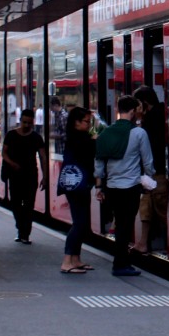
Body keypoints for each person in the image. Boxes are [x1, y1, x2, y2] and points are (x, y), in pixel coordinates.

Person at [94, 95, 155, 276]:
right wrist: (150, 179)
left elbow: (99, 162)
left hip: (112, 187)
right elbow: (148, 161)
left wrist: (99, 186)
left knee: (120, 224)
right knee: (125, 226)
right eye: (137, 109)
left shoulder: (106, 133)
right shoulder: (138, 133)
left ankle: (120, 261)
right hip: (130, 187)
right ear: (132, 111)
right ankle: (120, 264)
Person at [1, 108, 49, 244]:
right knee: (15, 204)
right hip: (15, 175)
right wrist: (12, 163)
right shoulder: (11, 135)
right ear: (20, 120)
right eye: (24, 122)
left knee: (29, 205)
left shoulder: (36, 138)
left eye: (29, 123)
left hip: (30, 175)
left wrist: (45, 177)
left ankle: (25, 234)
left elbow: (43, 157)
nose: (27, 125)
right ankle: (20, 229)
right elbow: (4, 153)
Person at [132, 85, 169, 254]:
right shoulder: (164, 114)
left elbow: (141, 143)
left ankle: (158, 242)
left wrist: (139, 118)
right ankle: (144, 242)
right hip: (157, 171)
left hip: (154, 172)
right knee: (147, 208)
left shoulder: (150, 120)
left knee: (160, 210)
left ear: (144, 103)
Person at [59, 106, 96, 274]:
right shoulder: (80, 140)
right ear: (76, 123)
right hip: (77, 185)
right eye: (86, 122)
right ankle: (67, 261)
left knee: (82, 222)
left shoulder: (76, 138)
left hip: (78, 183)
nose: (89, 125)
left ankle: (76, 258)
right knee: (79, 222)